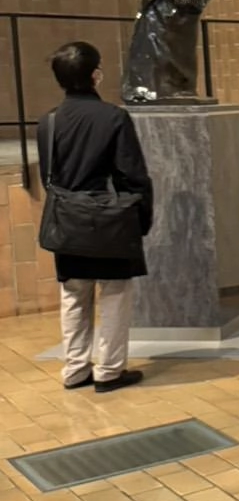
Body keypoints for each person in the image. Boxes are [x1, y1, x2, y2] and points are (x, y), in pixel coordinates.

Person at [37, 42, 153, 393]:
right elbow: (132, 176)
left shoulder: (48, 122)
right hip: (110, 222)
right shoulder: (114, 117)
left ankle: (75, 370)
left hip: (67, 221)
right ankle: (110, 371)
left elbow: (48, 178)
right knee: (115, 292)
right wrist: (141, 219)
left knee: (74, 294)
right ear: (95, 75)